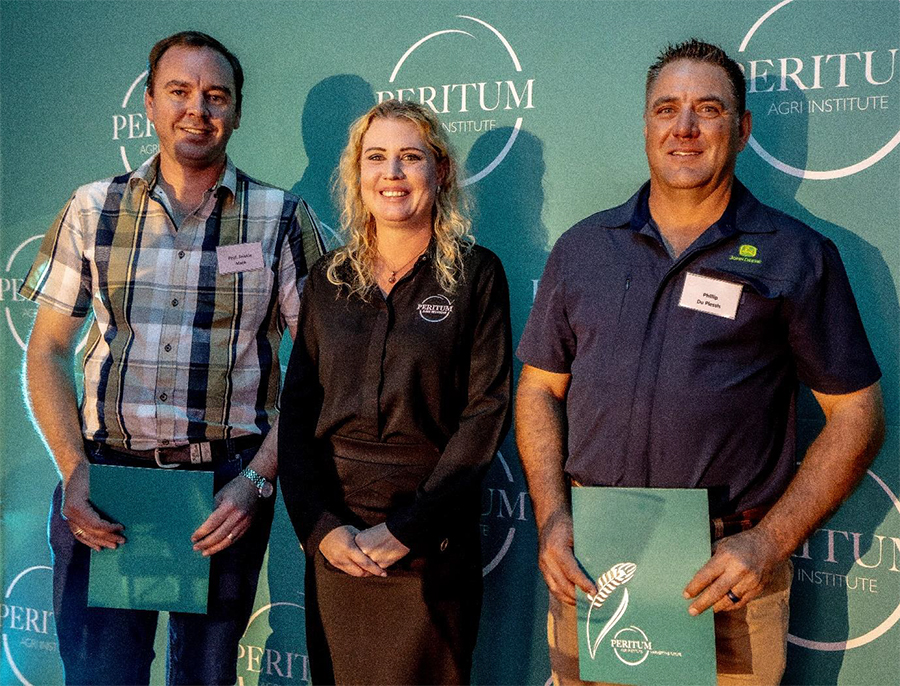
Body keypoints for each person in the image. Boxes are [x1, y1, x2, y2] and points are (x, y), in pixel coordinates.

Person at [516, 39, 884, 686]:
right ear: (646, 124)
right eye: (667, 109)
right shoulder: (583, 248)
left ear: (741, 129)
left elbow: (858, 414)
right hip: (594, 566)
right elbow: (538, 389)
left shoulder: (797, 255)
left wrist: (768, 543)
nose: (683, 128)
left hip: (728, 578)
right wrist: (551, 518)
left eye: (707, 109)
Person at [20, 31, 323, 685]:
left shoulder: (281, 218)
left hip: (224, 492)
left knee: (205, 679)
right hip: (105, 485)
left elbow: (317, 367)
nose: (197, 110)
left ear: (236, 112)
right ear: (150, 105)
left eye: (216, 96)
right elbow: (46, 351)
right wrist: (73, 471)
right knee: (100, 675)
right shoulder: (91, 208)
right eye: (179, 91)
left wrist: (258, 480)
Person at [279, 99, 512, 685]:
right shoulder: (327, 280)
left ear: (441, 171)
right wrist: (320, 528)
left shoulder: (478, 275)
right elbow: (297, 415)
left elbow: (486, 414)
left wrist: (409, 528)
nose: (392, 173)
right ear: (357, 174)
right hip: (338, 545)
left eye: (410, 157)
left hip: (432, 542)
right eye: (376, 157)